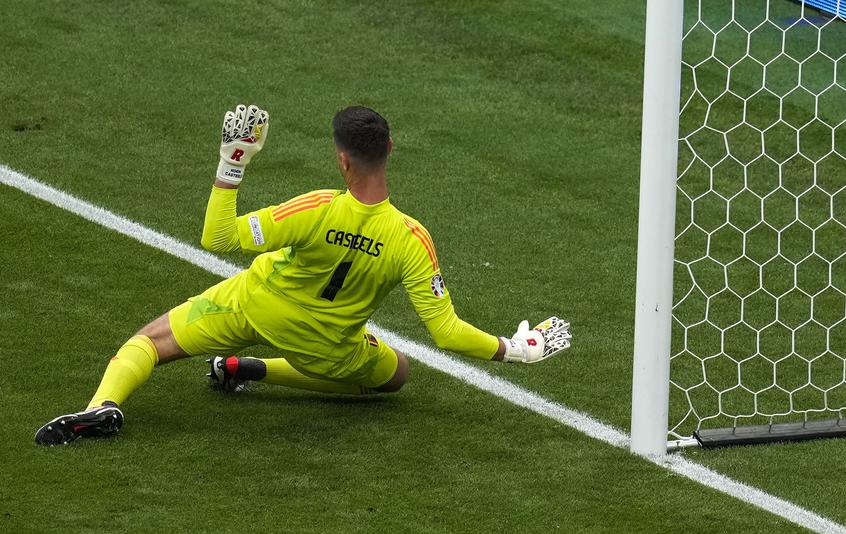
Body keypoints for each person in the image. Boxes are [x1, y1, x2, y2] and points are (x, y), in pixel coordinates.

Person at [35, 104, 571, 446]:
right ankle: (247, 370)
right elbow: (447, 331)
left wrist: (233, 163)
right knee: (397, 374)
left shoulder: (313, 208)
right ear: (389, 151)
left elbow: (217, 240)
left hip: (252, 304)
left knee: (150, 342)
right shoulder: (412, 239)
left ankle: (101, 408)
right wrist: (517, 349)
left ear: (343, 161)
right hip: (327, 345)